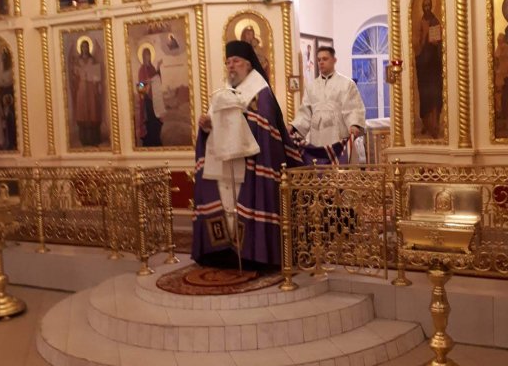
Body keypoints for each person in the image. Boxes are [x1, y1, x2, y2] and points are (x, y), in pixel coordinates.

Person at [192, 41, 344, 270]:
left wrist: (239, 121)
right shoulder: (223, 92)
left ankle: (251, 255)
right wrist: (206, 126)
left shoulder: (260, 92)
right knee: (226, 205)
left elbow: (265, 127)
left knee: (244, 205)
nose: (231, 66)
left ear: (248, 64)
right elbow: (214, 124)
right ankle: (226, 253)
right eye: (228, 62)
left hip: (251, 164)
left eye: (236, 61)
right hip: (224, 164)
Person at [290, 46, 366, 160]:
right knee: (320, 168)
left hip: (339, 140)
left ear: (334, 60)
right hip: (317, 140)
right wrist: (293, 126)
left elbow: (353, 108)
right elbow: (305, 112)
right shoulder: (311, 87)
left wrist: (354, 124)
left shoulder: (347, 84)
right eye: (319, 60)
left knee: (341, 169)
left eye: (325, 59)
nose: (321, 62)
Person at [413, 0, 443, 139]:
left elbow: (439, 41)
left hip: (434, 63)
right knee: (425, 94)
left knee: (435, 93)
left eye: (428, 5)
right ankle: (426, 123)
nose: (427, 8)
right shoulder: (421, 22)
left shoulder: (435, 21)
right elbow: (417, 42)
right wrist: (422, 37)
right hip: (423, 63)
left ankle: (435, 124)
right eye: (424, 6)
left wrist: (436, 42)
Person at [71, 39, 103, 147]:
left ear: (88, 48)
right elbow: (74, 75)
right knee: (83, 111)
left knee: (93, 110)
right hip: (82, 87)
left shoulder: (92, 60)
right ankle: (84, 138)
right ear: (81, 48)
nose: (85, 48)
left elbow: (97, 74)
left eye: (86, 46)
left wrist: (95, 80)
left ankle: (94, 138)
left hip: (91, 87)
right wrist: (75, 73)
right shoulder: (78, 61)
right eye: (83, 46)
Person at [136, 47, 163, 147]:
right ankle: (150, 142)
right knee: (149, 122)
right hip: (147, 100)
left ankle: (156, 139)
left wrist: (158, 67)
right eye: (146, 54)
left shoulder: (152, 68)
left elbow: (157, 80)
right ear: (143, 56)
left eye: (149, 54)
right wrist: (146, 83)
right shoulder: (141, 70)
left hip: (154, 99)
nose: (148, 56)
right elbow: (140, 88)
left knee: (156, 121)